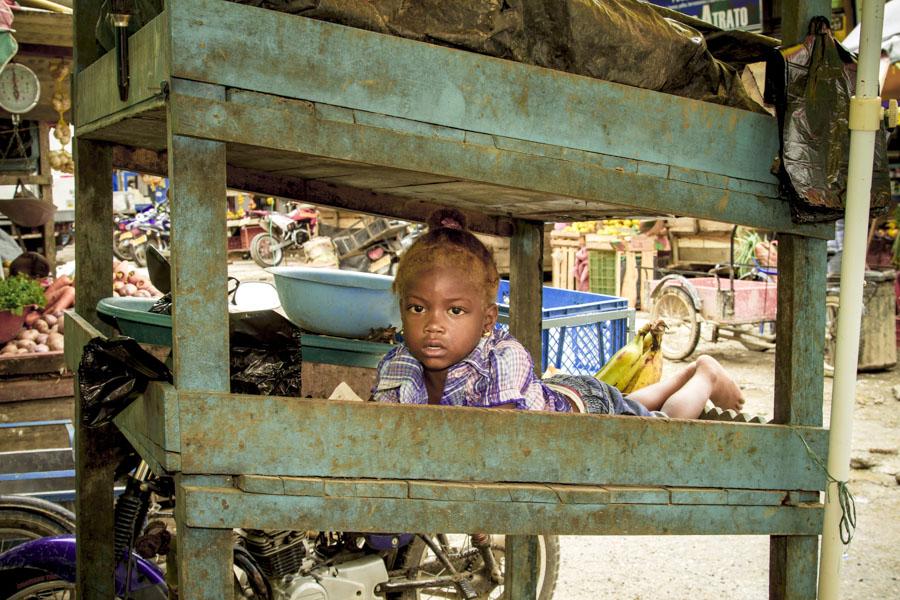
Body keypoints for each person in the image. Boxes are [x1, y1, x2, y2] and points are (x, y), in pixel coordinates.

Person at [371, 208, 744, 419]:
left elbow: (494, 443)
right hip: (560, 394)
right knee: (630, 405)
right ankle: (688, 374)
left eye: (455, 310)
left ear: (487, 320)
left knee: (664, 428)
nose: (433, 324)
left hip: (584, 410)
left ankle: (705, 375)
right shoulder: (399, 363)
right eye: (418, 308)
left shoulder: (504, 355)